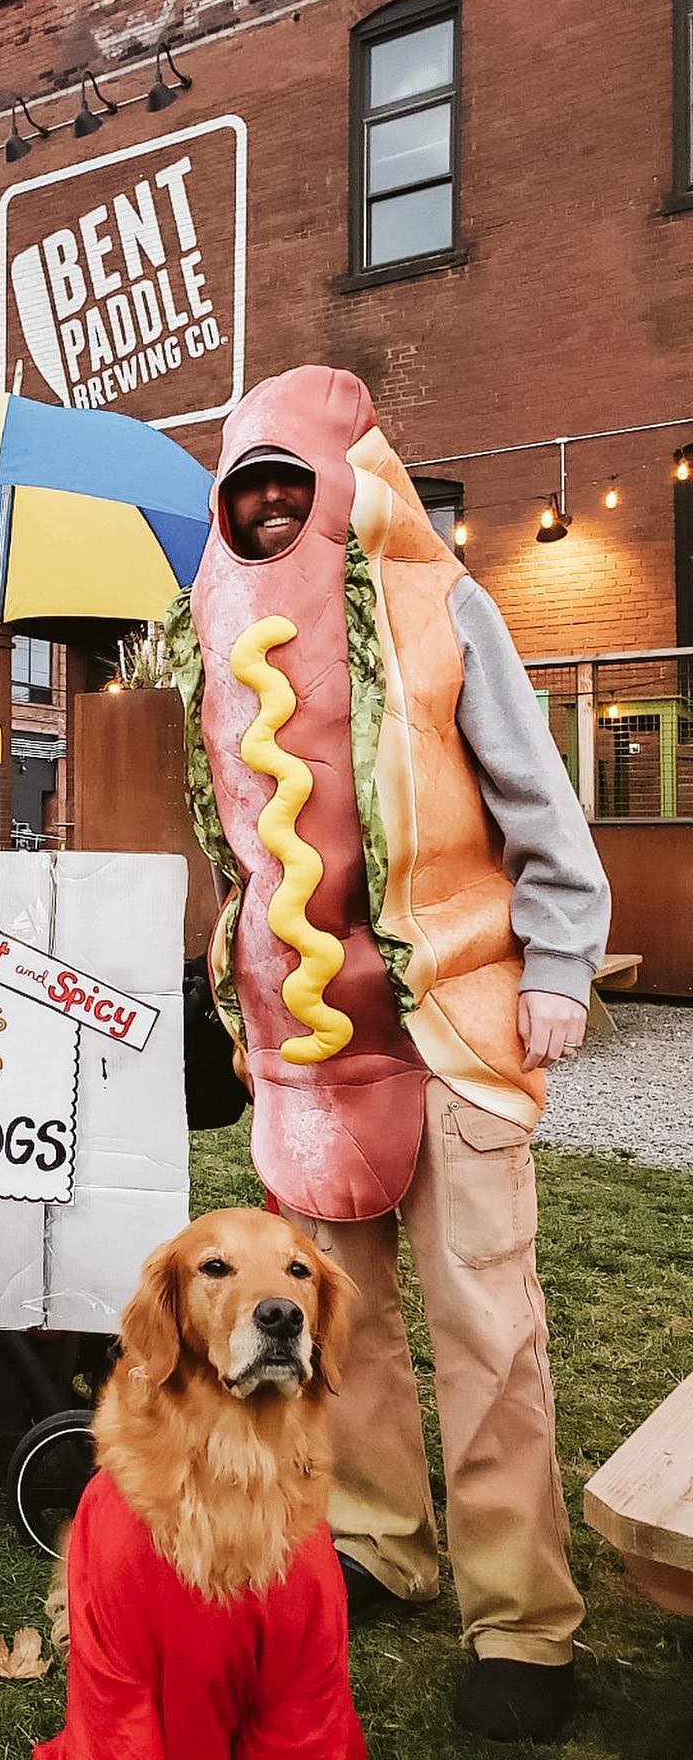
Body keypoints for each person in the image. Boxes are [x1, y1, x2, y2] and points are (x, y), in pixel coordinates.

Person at [166, 367, 611, 1744]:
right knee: (331, 1331)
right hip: (311, 1052)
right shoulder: (210, 636)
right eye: (253, 494)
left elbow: (539, 792)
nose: (275, 512)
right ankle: (376, 1544)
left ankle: (520, 1621)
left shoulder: (436, 606)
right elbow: (234, 843)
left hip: (454, 1025)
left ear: (349, 489)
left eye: (295, 486)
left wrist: (558, 962)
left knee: (488, 1333)